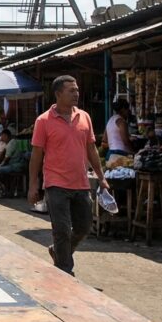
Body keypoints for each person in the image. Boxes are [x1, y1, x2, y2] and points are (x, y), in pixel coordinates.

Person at [28, 75, 109, 275]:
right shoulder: (43, 121)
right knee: (61, 229)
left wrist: (101, 176)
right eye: (71, 90)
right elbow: (36, 155)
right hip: (55, 183)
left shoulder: (84, 117)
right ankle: (65, 270)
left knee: (84, 227)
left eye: (77, 90)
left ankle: (59, 252)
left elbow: (91, 149)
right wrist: (33, 184)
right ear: (58, 94)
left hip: (80, 182)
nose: (76, 94)